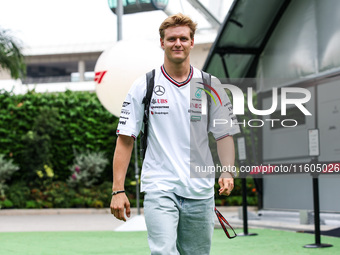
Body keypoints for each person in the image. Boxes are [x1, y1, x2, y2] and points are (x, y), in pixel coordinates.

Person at [110, 13, 240, 255]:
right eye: (171, 39)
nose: (177, 43)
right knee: (163, 252)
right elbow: (125, 139)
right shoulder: (144, 85)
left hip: (200, 191)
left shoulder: (211, 85)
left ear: (192, 42)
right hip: (160, 187)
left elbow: (224, 134)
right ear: (162, 43)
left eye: (183, 38)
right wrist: (118, 189)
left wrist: (227, 169)